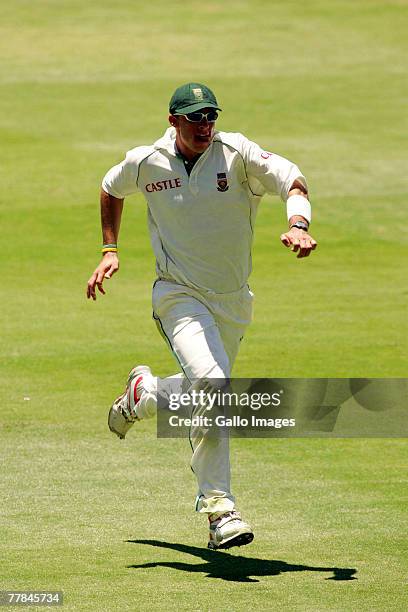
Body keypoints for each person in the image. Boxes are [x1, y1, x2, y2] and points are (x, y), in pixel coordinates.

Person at [86, 82, 317, 550]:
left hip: (233, 299)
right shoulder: (146, 161)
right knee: (214, 386)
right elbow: (111, 189)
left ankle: (145, 394)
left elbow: (293, 181)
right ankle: (219, 510)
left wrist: (298, 224)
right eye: (194, 118)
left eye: (210, 116)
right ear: (174, 121)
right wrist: (110, 248)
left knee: (207, 394)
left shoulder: (238, 154)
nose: (204, 125)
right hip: (178, 294)